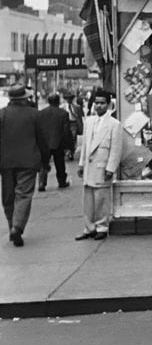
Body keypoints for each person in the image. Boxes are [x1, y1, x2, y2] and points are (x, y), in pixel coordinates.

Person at [0, 84, 47, 247]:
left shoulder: (2, 115)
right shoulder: (35, 115)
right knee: (24, 195)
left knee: (8, 198)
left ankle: (12, 226)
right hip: (29, 161)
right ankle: (17, 227)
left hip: (5, 162)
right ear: (25, 98)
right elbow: (42, 140)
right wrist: (45, 162)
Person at [76, 91, 124, 241]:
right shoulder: (89, 121)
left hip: (102, 166)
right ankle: (89, 227)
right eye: (96, 103)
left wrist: (110, 168)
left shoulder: (114, 124)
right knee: (88, 198)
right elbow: (85, 145)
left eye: (102, 103)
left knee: (101, 199)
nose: (98, 106)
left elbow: (116, 149)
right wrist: (81, 163)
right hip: (89, 166)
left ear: (108, 105)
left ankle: (102, 227)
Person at [38, 93, 73, 191]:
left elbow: (38, 129)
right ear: (58, 101)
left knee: (43, 164)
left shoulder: (41, 113)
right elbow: (66, 131)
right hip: (59, 142)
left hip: (44, 143)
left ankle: (41, 182)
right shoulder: (63, 113)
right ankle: (62, 181)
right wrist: (69, 146)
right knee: (60, 163)